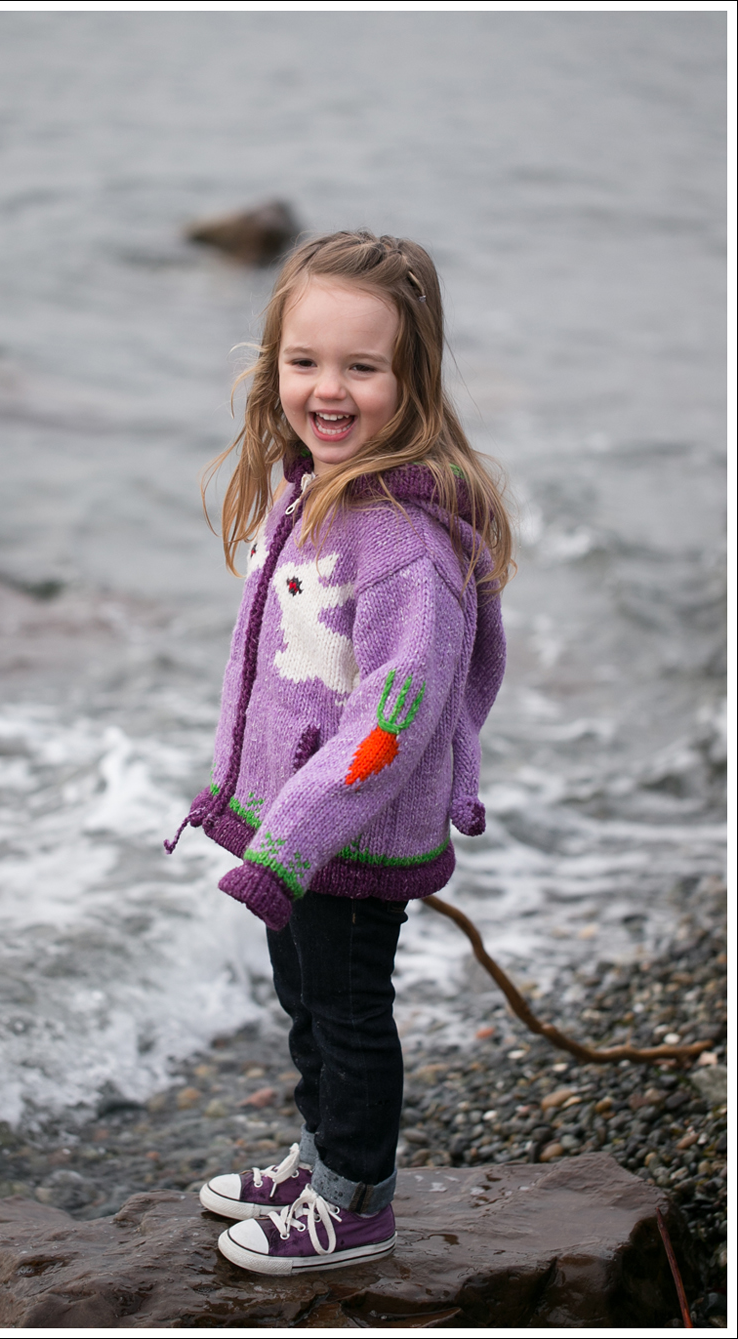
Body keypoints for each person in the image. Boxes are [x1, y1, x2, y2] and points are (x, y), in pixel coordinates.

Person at [165, 230, 513, 1274]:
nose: (328, 389)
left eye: (362, 366)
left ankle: (356, 1200)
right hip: (299, 824)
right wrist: (263, 812)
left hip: (348, 832)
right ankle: (321, 1161)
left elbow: (387, 721)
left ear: (411, 381)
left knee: (350, 1012)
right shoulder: (311, 488)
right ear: (271, 363)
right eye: (305, 360)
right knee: (305, 1002)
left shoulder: (403, 544)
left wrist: (292, 840)